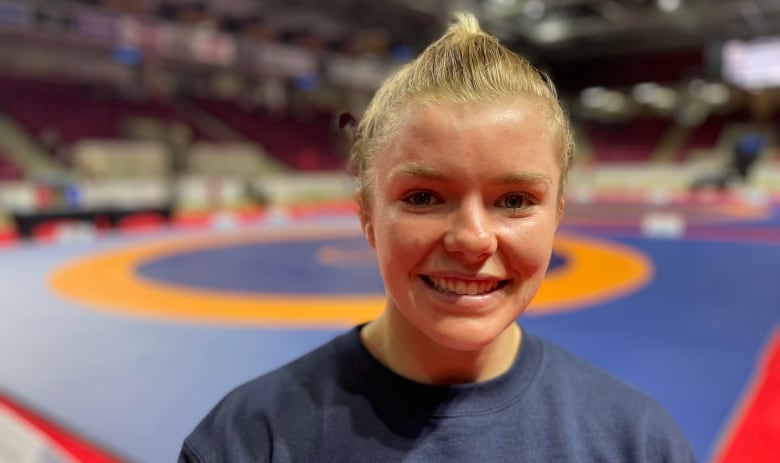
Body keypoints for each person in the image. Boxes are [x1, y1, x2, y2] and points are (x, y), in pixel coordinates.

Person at [179, 13, 695, 462]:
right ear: (366, 215)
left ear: (558, 212)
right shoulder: (245, 443)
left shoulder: (640, 444)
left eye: (514, 201)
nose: (473, 240)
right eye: (423, 197)